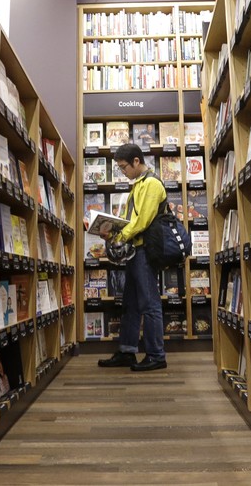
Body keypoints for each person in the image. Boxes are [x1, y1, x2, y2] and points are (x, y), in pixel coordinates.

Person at [97, 143, 168, 371]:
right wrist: (111, 229)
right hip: (136, 252)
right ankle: (127, 351)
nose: (123, 171)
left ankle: (157, 355)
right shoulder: (137, 185)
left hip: (145, 251)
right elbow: (130, 220)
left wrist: (119, 237)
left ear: (137, 161)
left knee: (150, 304)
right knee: (130, 304)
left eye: (124, 167)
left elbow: (141, 222)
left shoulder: (152, 184)